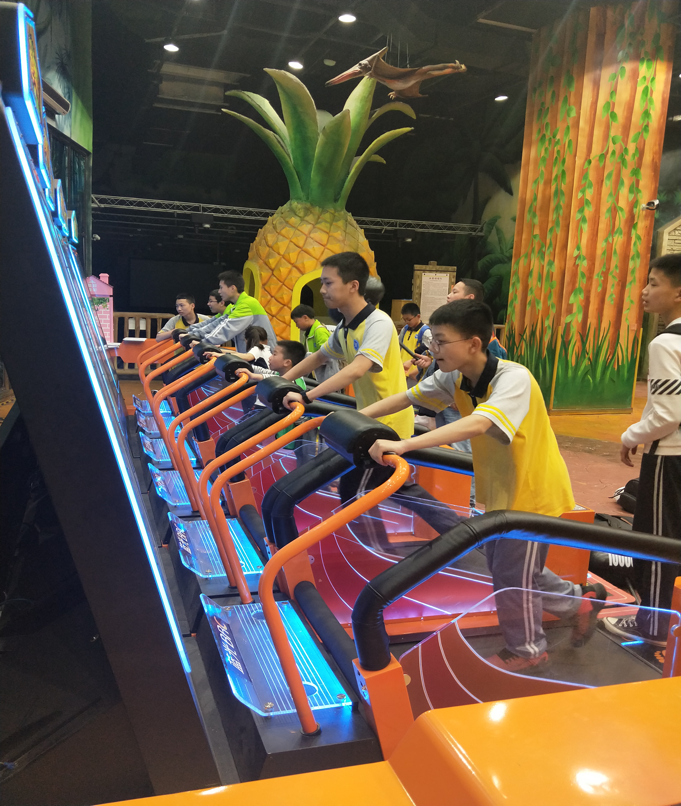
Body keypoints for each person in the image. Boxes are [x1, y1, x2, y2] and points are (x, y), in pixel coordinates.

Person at [361, 299, 607, 672]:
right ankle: (578, 601)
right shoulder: (455, 377)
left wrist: (406, 444)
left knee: (512, 573)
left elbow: (479, 423)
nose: (433, 348)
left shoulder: (514, 378)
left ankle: (528, 650)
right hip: (499, 491)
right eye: (432, 340)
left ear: (474, 343)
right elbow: (408, 398)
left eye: (441, 341)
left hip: (532, 494)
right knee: (508, 566)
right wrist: (346, 416)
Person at [606, 253, 681, 648]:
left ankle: (652, 627)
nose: (644, 291)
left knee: (655, 541)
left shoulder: (666, 342)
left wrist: (630, 435)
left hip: (669, 457)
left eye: (653, 283)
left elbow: (668, 414)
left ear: (678, 293)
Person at [183, 270, 277, 352]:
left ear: (232, 288)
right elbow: (215, 323)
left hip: (263, 358)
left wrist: (202, 342)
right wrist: (189, 333)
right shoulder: (236, 306)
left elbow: (226, 330)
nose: (219, 291)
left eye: (221, 287)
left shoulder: (246, 305)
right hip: (252, 355)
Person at [290, 303, 338, 383]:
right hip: (315, 373)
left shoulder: (319, 331)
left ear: (305, 317)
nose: (296, 325)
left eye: (296, 322)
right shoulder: (307, 333)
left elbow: (327, 355)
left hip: (325, 376)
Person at [399, 302, 432, 384]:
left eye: (409, 319)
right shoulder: (405, 329)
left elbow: (428, 353)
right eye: (404, 319)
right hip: (402, 370)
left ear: (418, 316)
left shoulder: (425, 332)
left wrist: (411, 362)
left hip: (414, 374)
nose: (406, 322)